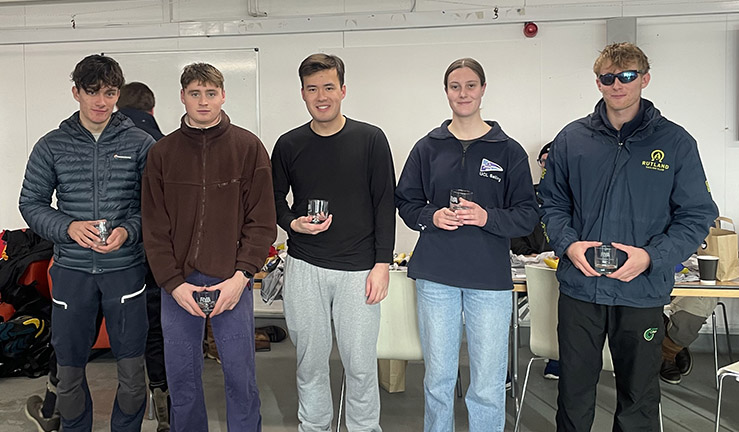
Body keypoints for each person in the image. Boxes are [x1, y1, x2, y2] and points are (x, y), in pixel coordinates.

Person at [538, 42, 718, 431]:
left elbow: (698, 213)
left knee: (639, 396)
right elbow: (551, 204)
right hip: (581, 289)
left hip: (641, 291)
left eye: (627, 76)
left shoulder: (675, 142)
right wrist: (569, 244)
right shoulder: (572, 139)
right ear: (598, 82)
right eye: (608, 77)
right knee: (574, 391)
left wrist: (652, 258)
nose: (617, 84)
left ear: (644, 79)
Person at [395, 58, 538, 432]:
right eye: (455, 86)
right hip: (435, 277)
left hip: (488, 280)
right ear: (446, 92)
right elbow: (406, 202)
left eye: (471, 85)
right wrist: (432, 217)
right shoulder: (428, 147)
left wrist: (487, 217)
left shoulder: (508, 150)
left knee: (488, 385)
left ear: (483, 90)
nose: (463, 93)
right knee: (438, 381)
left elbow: (527, 214)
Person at [19, 54, 155, 431]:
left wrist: (128, 231)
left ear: (118, 94)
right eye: (92, 92)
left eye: (109, 93)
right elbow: (30, 203)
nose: (101, 101)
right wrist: (68, 228)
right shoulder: (52, 145)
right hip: (72, 273)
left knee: (130, 371)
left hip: (125, 272)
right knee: (70, 370)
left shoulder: (140, 143)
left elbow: (155, 209)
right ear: (76, 92)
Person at [142, 62, 275, 431]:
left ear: (223, 95)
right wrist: (172, 283)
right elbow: (154, 227)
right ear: (182, 97)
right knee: (182, 378)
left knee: (240, 376)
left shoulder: (248, 148)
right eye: (195, 94)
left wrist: (241, 276)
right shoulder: (162, 154)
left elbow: (262, 221)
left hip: (231, 279)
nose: (203, 102)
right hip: (179, 284)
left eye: (211, 93)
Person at [271, 53, 395, 432]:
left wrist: (382, 264)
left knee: (359, 364)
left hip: (359, 270)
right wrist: (295, 224)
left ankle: (363, 428)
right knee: (310, 361)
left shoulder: (370, 139)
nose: (320, 96)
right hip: (305, 265)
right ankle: (315, 426)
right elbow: (274, 201)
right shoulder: (289, 144)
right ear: (303, 94)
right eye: (312, 89)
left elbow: (384, 202)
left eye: (328, 87)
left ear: (343, 90)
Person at [117, 81, 169, 431]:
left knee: (102, 327)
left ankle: (54, 403)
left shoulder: (110, 140)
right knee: (156, 329)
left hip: (112, 254)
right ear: (152, 109)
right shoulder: (165, 145)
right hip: (155, 252)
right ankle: (165, 409)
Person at [511, 142, 559, 380]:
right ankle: (503, 370)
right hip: (528, 268)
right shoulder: (526, 195)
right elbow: (513, 233)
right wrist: (529, 255)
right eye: (544, 160)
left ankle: (557, 357)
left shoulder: (577, 195)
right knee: (499, 306)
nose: (548, 165)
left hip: (562, 272)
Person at [660, 296, 717, 384]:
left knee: (694, 313)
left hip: (689, 288)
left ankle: (669, 352)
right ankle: (671, 343)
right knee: (636, 308)